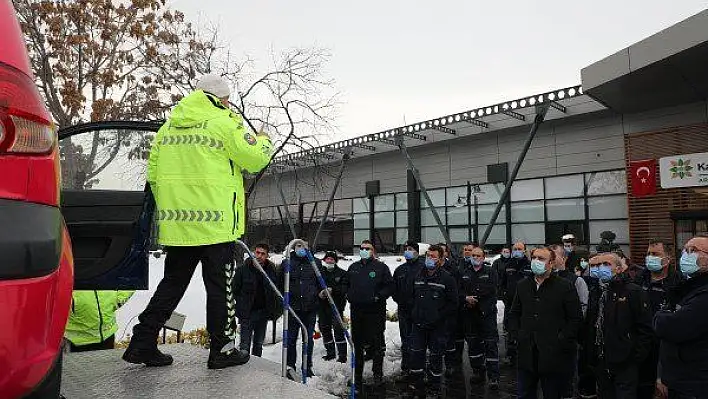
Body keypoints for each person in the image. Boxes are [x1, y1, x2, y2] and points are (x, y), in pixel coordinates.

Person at [123, 74, 272, 369]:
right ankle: (222, 349)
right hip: (216, 225)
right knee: (221, 288)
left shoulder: (166, 130)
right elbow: (254, 160)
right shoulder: (224, 122)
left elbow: (153, 176)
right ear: (221, 99)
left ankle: (143, 341)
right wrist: (264, 141)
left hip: (179, 226)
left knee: (172, 285)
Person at [508, 246, 582, 399]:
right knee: (525, 393)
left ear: (551, 263)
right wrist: (517, 335)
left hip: (553, 356)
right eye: (534, 258)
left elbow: (575, 319)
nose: (536, 262)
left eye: (541, 259)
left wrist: (561, 339)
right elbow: (514, 314)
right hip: (527, 353)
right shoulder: (523, 285)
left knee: (552, 393)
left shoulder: (564, 286)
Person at [590, 252, 653, 399]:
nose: (601, 268)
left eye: (606, 264)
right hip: (602, 359)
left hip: (625, 361)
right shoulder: (597, 291)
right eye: (599, 265)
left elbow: (645, 327)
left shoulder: (633, 291)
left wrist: (634, 356)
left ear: (619, 269)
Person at [654, 235, 708, 399]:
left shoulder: (704, 294)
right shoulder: (688, 287)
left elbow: (673, 327)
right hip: (683, 380)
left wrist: (660, 315)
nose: (686, 255)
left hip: (695, 384)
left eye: (693, 251)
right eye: (685, 250)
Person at [408, 245, 458, 396]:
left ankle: (434, 387)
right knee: (416, 354)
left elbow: (453, 303)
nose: (430, 259)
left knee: (435, 356)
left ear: (441, 260)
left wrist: (438, 315)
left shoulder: (447, 278)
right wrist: (414, 313)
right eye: (428, 255)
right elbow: (410, 296)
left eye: (434, 256)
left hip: (437, 326)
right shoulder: (418, 275)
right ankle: (417, 384)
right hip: (418, 324)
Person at [347, 239, 394, 390]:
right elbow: (345, 284)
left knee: (376, 345)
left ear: (373, 251)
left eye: (367, 248)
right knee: (358, 345)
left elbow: (389, 286)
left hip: (375, 312)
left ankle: (377, 375)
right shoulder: (353, 267)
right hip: (357, 312)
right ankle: (357, 376)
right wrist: (348, 294)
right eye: (362, 248)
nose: (364, 250)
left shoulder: (381, 268)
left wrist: (378, 296)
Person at [640, 239, 682, 399]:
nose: (650, 257)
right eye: (648, 254)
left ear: (668, 259)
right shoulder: (638, 281)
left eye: (655, 254)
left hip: (665, 351)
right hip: (641, 350)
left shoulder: (678, 284)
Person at [458, 245, 500, 390]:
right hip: (469, 315)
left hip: (486, 314)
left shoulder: (490, 271)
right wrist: (465, 298)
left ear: (483, 258)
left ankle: (494, 376)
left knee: (490, 344)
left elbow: (492, 290)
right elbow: (458, 290)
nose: (474, 258)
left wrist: (475, 299)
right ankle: (478, 372)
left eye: (478, 256)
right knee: (473, 345)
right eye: (473, 255)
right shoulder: (464, 272)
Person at [233, 243, 280, 357]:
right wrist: (242, 303)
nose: (259, 256)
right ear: (253, 253)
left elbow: (275, 290)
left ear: (267, 255)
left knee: (258, 344)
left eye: (263, 254)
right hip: (247, 313)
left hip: (263, 313)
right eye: (257, 252)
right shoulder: (243, 269)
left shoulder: (271, 270)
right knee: (245, 344)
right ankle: (244, 367)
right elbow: (235, 289)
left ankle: (257, 367)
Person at [281, 240, 320, 377]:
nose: (301, 248)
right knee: (291, 339)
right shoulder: (287, 262)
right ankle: (290, 366)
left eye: (304, 246)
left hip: (310, 308)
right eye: (299, 246)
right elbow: (281, 283)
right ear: (293, 247)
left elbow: (320, 282)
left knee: (308, 339)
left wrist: (320, 294)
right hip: (293, 309)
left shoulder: (315, 263)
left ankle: (307, 366)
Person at [392, 240, 425, 377]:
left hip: (419, 310)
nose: (407, 251)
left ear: (417, 251)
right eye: (406, 249)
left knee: (418, 340)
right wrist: (400, 300)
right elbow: (394, 289)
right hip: (404, 310)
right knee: (405, 340)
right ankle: (406, 368)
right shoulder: (400, 270)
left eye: (410, 249)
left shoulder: (423, 268)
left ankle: (419, 369)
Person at [65, 290, 134, 352]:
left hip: (107, 333)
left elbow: (131, 279)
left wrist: (119, 299)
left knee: (104, 365)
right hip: (74, 339)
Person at [500, 240, 531, 366]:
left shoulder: (529, 265)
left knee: (525, 329)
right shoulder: (508, 265)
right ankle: (511, 355)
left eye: (519, 249)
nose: (517, 251)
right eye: (515, 249)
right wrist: (504, 295)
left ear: (524, 250)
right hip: (511, 304)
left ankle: (525, 355)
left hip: (526, 305)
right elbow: (502, 283)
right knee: (510, 329)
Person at [437, 242, 464, 376]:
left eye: (442, 251)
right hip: (434, 312)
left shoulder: (452, 268)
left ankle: (450, 365)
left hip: (448, 311)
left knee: (449, 340)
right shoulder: (428, 269)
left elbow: (456, 290)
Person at [318, 251, 349, 363]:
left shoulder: (342, 273)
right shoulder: (319, 274)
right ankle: (330, 353)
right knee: (325, 329)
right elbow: (315, 287)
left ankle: (342, 356)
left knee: (338, 330)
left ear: (335, 261)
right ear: (324, 260)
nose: (329, 261)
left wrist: (333, 290)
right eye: (327, 259)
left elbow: (344, 289)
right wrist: (320, 294)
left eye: (332, 259)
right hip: (323, 308)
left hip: (337, 307)